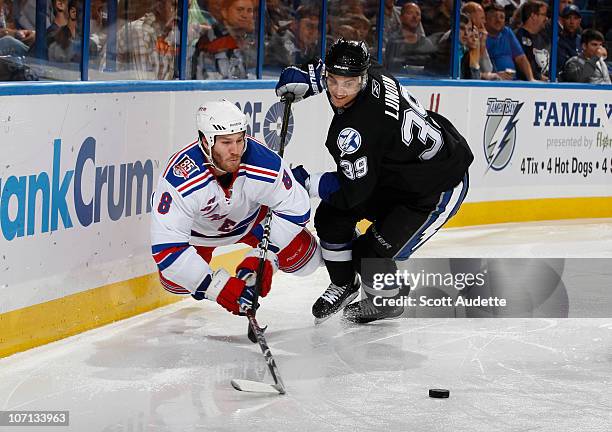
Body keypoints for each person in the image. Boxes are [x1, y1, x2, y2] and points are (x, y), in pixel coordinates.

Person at [275, 39, 473, 324]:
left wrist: (307, 182)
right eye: (333, 80)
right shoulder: (372, 70)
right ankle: (345, 284)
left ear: (362, 79)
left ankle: (387, 299)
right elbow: (349, 58)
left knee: (369, 254)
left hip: (435, 188)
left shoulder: (356, 129)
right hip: (400, 173)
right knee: (332, 217)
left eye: (349, 84)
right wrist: (314, 78)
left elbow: (354, 192)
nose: (340, 91)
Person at [151, 100, 321, 316]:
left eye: (239, 140)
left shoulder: (262, 161)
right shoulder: (180, 178)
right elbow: (167, 249)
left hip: (251, 224)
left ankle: (342, 257)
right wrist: (220, 288)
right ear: (205, 141)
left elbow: (296, 208)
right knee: (175, 284)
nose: (236, 150)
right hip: (200, 237)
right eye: (225, 142)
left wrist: (264, 257)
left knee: (307, 262)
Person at [485, 2, 534, 81]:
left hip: (512, 82)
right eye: (494, 16)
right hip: (491, 83)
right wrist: (494, 75)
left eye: (502, 17)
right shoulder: (481, 36)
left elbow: (521, 58)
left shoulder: (507, 32)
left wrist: (531, 79)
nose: (498, 20)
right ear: (485, 19)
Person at [514, 0, 549, 81]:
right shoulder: (518, 36)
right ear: (533, 16)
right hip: (526, 87)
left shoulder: (545, 38)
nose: (546, 18)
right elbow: (522, 65)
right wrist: (540, 78)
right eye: (543, 15)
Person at [557, 5, 582, 74]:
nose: (572, 22)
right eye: (568, 18)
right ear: (562, 20)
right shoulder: (556, 41)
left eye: (575, 18)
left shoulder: (582, 41)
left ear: (579, 21)